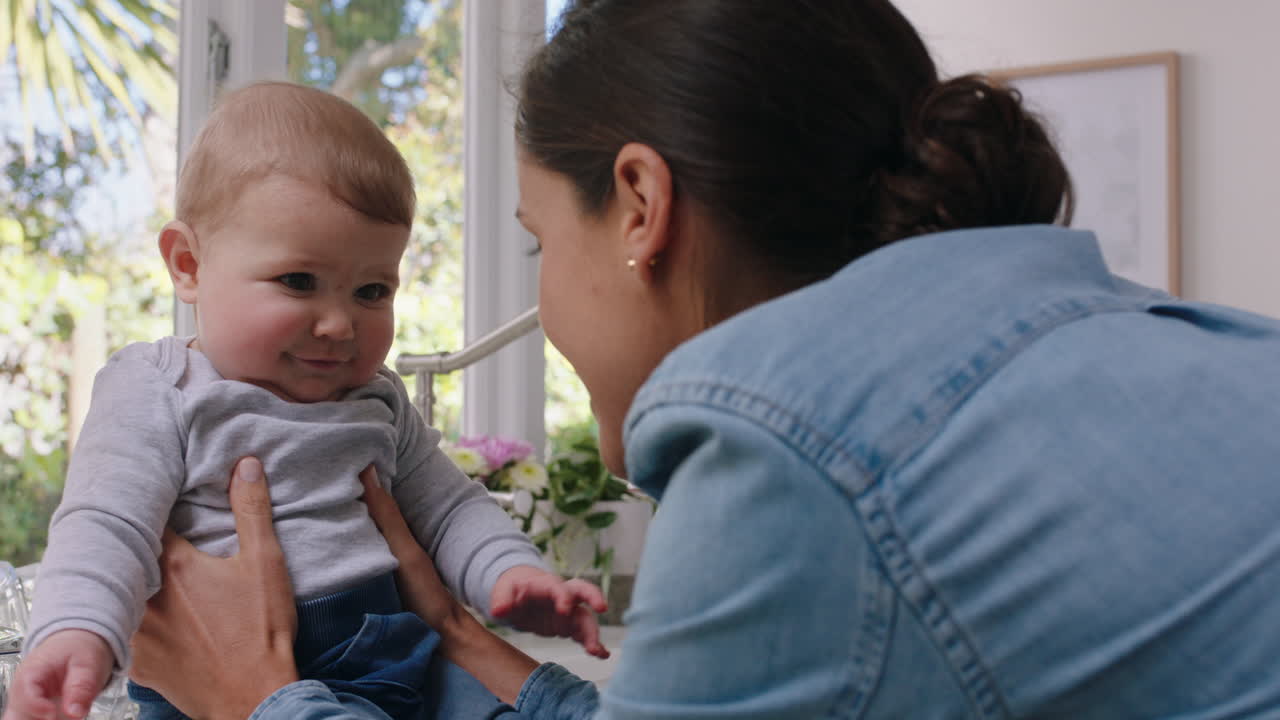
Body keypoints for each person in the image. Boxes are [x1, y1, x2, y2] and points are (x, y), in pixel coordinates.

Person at [86, 0, 1280, 716]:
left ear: (642, 207)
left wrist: (259, 702)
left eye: (540, 242)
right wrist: (467, 647)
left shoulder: (796, 456)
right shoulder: (1114, 339)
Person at [3, 82, 608, 720]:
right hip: (219, 680)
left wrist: (513, 575)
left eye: (372, 290)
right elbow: (105, 524)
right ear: (188, 264)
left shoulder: (379, 400)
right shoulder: (159, 386)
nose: (340, 324)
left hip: (406, 656)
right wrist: (75, 633)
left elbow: (452, 509)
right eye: (299, 281)